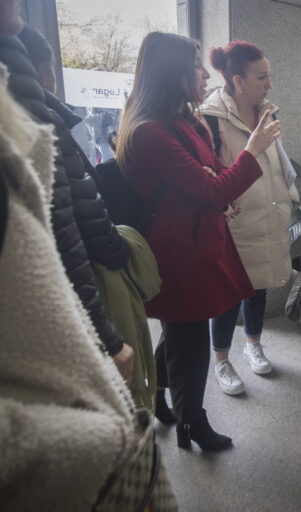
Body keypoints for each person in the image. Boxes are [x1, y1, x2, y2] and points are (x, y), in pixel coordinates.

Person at [0, 3, 176, 509]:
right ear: (43, 70)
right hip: (80, 345)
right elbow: (71, 231)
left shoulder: (32, 117)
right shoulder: (38, 123)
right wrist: (105, 335)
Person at [116, 31, 280, 450]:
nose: (206, 75)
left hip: (198, 241)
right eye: (195, 66)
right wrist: (253, 150)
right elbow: (211, 188)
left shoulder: (181, 119)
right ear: (172, 72)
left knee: (181, 335)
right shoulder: (150, 131)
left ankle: (156, 396)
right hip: (178, 254)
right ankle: (192, 423)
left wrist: (216, 188)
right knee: (191, 344)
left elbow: (208, 175)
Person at [1, 24, 135, 384]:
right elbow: (69, 225)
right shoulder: (46, 122)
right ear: (42, 71)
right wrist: (120, 252)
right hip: (59, 299)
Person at [201, 40, 299, 395]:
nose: (269, 84)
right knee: (229, 292)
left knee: (257, 284)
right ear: (238, 81)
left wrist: (289, 194)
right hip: (234, 221)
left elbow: (278, 161)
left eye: (269, 76)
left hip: (268, 213)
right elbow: (208, 175)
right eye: (262, 77)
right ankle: (221, 361)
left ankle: (253, 343)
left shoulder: (265, 112)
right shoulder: (210, 118)